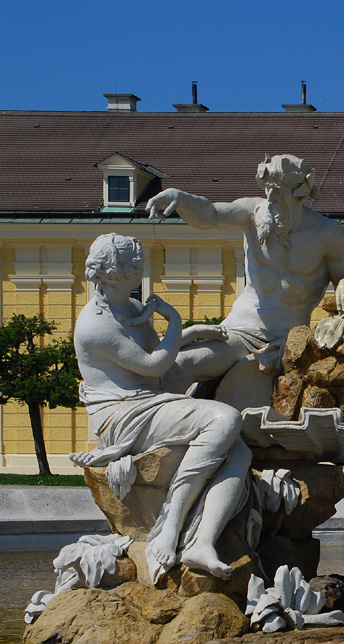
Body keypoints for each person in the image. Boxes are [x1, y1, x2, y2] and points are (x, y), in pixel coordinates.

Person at [70, 233, 252, 582]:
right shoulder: (96, 325)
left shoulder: (132, 309)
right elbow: (155, 364)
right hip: (123, 415)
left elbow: (159, 352)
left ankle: (202, 542)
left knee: (239, 450)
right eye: (136, 262)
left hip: (148, 400)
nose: (142, 266)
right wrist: (176, 321)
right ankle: (170, 526)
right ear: (117, 271)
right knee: (226, 419)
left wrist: (193, 332)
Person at [146, 154, 344, 393]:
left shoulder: (328, 234)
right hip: (240, 330)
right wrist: (182, 199)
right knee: (181, 365)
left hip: (291, 340)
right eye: (268, 190)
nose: (271, 199)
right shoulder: (252, 213)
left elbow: (343, 278)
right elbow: (211, 214)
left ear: (300, 194)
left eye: (279, 192)